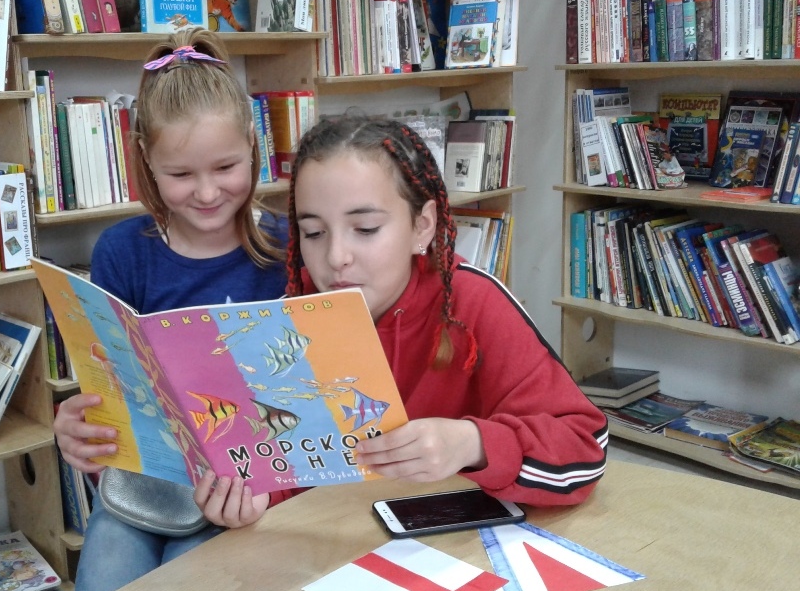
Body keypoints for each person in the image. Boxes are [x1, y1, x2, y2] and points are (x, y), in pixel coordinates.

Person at [194, 115, 609, 529]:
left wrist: (473, 444)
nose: (336, 257)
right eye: (314, 233)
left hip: (461, 542)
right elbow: (285, 460)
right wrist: (258, 496)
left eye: (366, 228)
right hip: (336, 542)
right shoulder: (289, 319)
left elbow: (584, 446)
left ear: (421, 227)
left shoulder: (473, 303)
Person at [53, 28, 287, 591]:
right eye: (181, 174)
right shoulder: (121, 252)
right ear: (147, 164)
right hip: (142, 489)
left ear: (253, 147)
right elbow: (110, 393)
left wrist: (266, 488)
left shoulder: (288, 248)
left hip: (243, 490)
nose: (207, 193)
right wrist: (82, 430)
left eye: (226, 166)